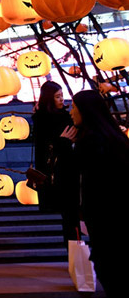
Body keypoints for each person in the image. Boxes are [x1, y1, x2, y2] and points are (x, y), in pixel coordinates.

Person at [66, 90, 129, 297]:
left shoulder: (91, 142)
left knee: (111, 272)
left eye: (74, 107)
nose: (71, 111)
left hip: (105, 219)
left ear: (86, 111)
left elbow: (74, 178)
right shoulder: (116, 138)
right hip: (115, 217)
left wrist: (63, 148)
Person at [31, 80, 79, 243]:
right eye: (57, 97)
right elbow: (44, 148)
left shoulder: (64, 116)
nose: (61, 100)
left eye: (62, 96)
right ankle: (75, 255)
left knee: (71, 217)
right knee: (70, 217)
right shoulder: (43, 119)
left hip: (69, 169)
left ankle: (75, 255)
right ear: (49, 99)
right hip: (58, 173)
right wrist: (62, 142)